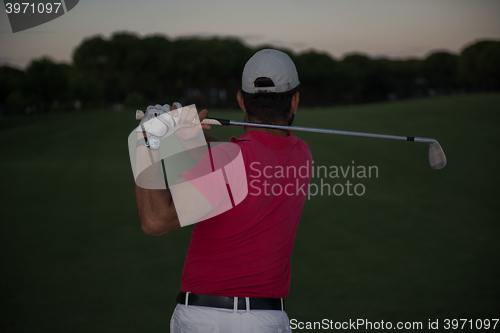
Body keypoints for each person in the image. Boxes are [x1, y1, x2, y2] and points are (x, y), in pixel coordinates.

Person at [134, 49, 312, 332]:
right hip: (267, 321)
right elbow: (240, 161)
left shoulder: (229, 161)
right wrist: (192, 138)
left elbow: (155, 220)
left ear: (241, 100)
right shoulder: (303, 155)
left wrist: (147, 139)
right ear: (294, 101)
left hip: (203, 320)